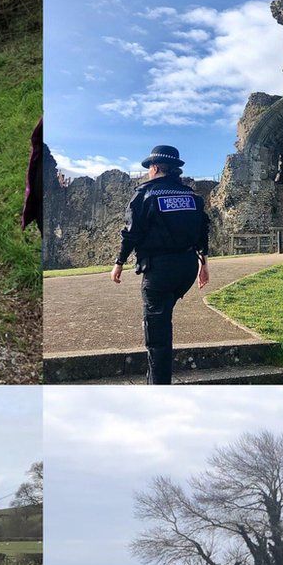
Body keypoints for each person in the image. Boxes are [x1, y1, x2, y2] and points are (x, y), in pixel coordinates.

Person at [110, 145, 210, 385]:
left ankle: (158, 386)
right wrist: (204, 264)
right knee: (164, 313)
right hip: (186, 267)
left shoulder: (145, 195)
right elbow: (203, 231)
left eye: (149, 169)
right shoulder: (192, 197)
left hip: (159, 270)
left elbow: (131, 233)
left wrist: (119, 262)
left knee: (157, 338)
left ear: (154, 168)